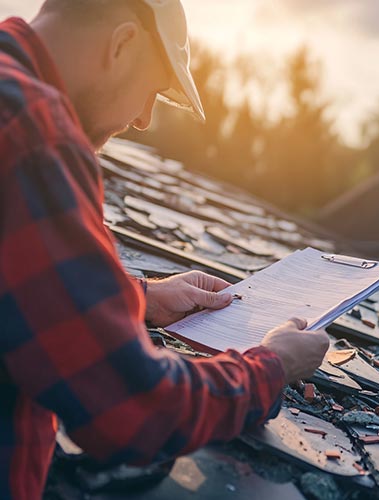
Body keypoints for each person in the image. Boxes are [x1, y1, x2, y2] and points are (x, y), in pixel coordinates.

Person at [0, 1, 330, 497]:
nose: (143, 120)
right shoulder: (33, 135)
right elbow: (128, 407)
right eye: (152, 91)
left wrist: (136, 296)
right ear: (122, 44)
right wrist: (272, 366)